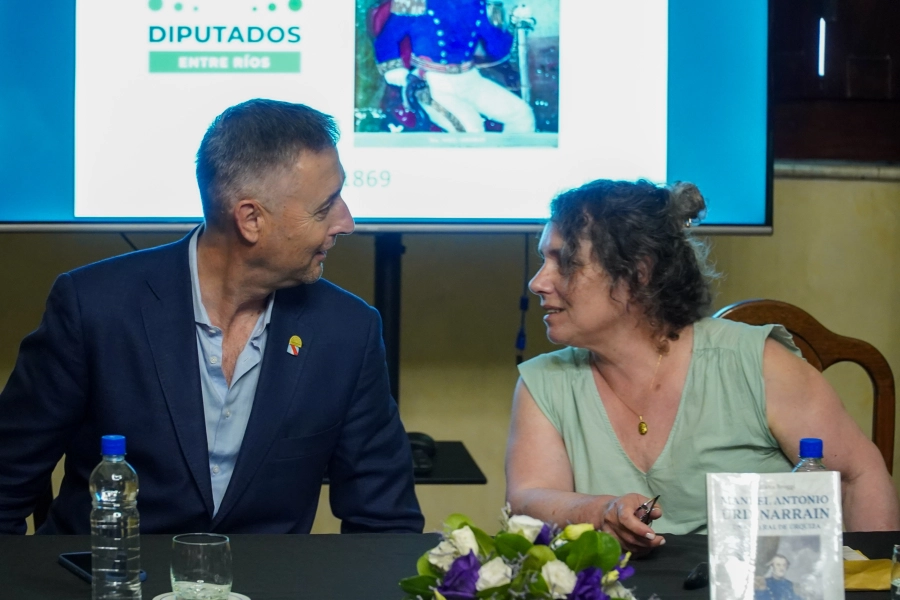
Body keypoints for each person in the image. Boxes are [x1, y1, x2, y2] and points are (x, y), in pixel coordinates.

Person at [0, 99, 424, 535]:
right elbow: (4, 486)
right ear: (251, 219)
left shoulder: (347, 331)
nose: (347, 222)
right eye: (326, 206)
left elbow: (386, 524)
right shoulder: (94, 308)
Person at [505, 179, 900, 554]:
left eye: (564, 262)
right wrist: (601, 512)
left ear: (638, 273)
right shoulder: (544, 384)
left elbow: (856, 476)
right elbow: (529, 496)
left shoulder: (754, 363)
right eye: (543, 261)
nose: (538, 282)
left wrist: (873, 584)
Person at [373, 0, 535, 133]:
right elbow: (387, 38)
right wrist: (394, 68)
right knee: (471, 129)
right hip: (432, 83)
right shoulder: (413, 1)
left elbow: (496, 49)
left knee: (521, 114)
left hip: (470, 79)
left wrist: (514, 26)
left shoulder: (477, 3)